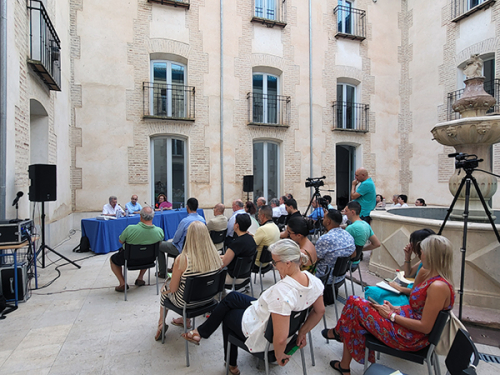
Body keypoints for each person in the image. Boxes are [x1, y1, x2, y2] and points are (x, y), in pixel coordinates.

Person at [180, 239, 325, 375]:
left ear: (288, 263)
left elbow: (280, 339)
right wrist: (302, 332)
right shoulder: (313, 281)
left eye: (275, 263)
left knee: (228, 315)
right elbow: (320, 311)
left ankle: (230, 363)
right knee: (231, 297)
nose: (274, 267)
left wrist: (279, 355)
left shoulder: (283, 293)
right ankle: (201, 332)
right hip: (264, 310)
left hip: (263, 330)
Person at [323, 235, 455, 373]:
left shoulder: (438, 287)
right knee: (354, 309)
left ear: (431, 255)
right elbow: (420, 309)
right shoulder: (432, 277)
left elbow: (425, 327)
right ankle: (343, 359)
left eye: (423, 251)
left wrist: (391, 315)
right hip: (405, 324)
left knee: (354, 304)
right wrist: (395, 309)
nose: (420, 253)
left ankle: (338, 334)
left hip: (409, 337)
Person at [155, 221, 223, 340]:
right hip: (208, 300)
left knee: (165, 292)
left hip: (186, 303)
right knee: (191, 287)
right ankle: (184, 320)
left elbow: (173, 289)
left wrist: (169, 282)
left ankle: (161, 324)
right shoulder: (215, 256)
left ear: (189, 237)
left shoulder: (182, 259)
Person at [365, 228, 435, 306]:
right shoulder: (424, 261)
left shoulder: (427, 267)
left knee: (372, 292)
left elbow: (414, 292)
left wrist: (397, 287)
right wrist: (407, 257)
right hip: (407, 293)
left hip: (410, 299)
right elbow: (408, 274)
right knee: (373, 290)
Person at [110, 207, 164, 292]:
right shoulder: (159, 231)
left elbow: (121, 241)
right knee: (147, 252)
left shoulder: (130, 229)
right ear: (153, 217)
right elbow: (159, 244)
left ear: (141, 216)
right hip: (149, 260)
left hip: (129, 259)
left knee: (113, 259)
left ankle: (122, 283)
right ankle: (140, 278)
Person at [157, 197, 205, 278]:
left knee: (159, 245)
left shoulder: (185, 221)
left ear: (187, 207)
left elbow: (176, 240)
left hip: (182, 250)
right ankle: (174, 266)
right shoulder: (202, 220)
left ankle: (162, 272)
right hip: (196, 248)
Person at [315, 209, 355, 285]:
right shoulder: (348, 235)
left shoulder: (325, 239)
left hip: (325, 278)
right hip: (341, 277)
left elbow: (314, 259)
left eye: (324, 217)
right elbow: (354, 254)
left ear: (328, 221)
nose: (323, 219)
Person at [221, 214, 256, 285]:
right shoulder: (251, 239)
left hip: (234, 278)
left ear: (237, 225)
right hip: (246, 275)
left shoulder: (236, 243)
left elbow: (223, 264)